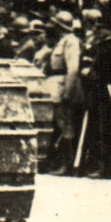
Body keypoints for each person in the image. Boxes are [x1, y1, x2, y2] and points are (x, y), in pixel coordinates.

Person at [41, 10, 83, 174]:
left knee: (65, 125)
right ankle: (59, 161)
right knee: (60, 123)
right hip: (55, 84)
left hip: (62, 85)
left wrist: (67, 92)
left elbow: (72, 69)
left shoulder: (71, 42)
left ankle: (67, 164)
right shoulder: (61, 41)